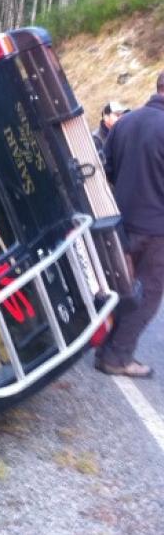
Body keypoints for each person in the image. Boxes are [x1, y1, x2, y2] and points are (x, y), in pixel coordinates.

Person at [95, 73, 164, 377]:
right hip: (157, 230)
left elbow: (105, 169)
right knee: (147, 294)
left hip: (121, 223)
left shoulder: (125, 123)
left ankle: (104, 347)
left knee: (121, 287)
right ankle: (117, 357)